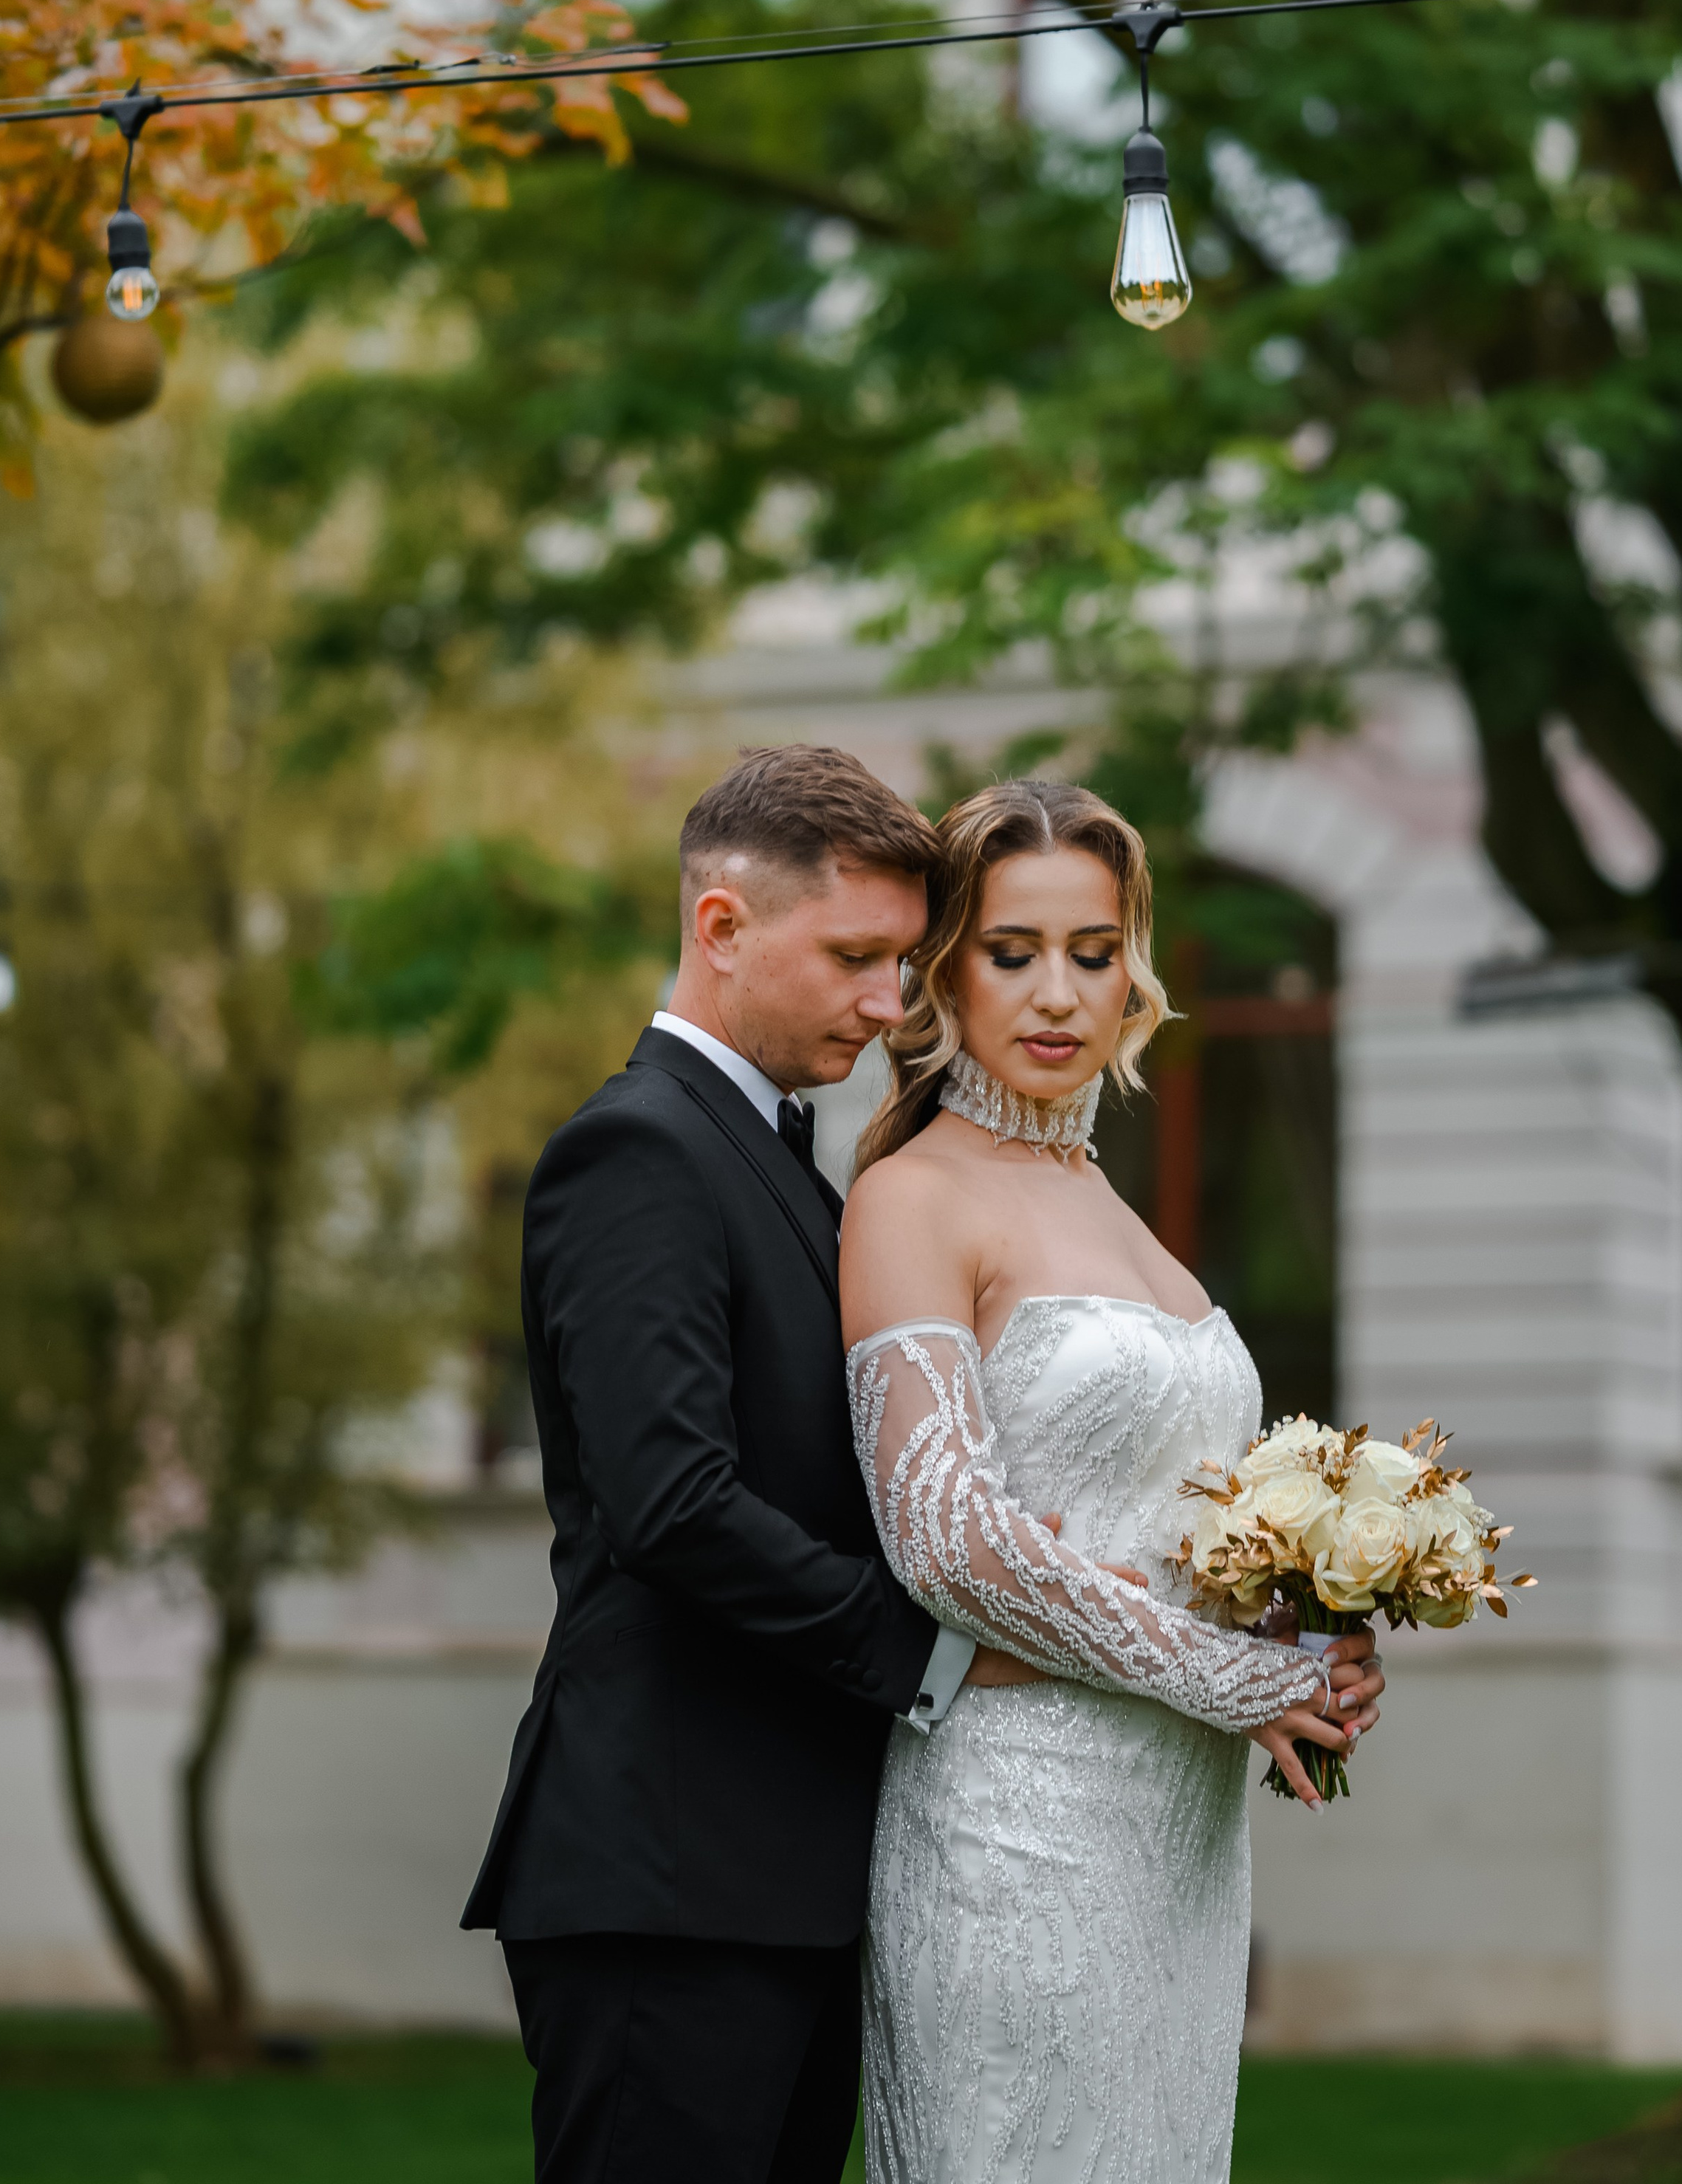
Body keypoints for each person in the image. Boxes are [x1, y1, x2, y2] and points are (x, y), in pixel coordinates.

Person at [844, 778, 1383, 2184]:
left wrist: (1301, 1643)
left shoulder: (1112, 1205)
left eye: (1092, 952)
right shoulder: (915, 1197)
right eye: (1012, 951)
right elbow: (944, 1539)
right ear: (944, 965)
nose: (1057, 992)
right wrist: (1226, 1680)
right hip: (1014, 1834)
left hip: (1179, 1848)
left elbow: (1177, 1528)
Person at [464, 743, 975, 2184]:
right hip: (667, 1876)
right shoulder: (632, 1151)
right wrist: (937, 1654)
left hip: (777, 1875)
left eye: (902, 964)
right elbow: (671, 1502)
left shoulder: (781, 1167)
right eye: (858, 958)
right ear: (721, 928)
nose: (889, 1005)